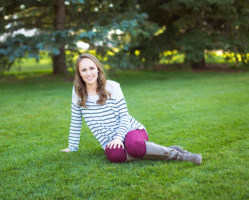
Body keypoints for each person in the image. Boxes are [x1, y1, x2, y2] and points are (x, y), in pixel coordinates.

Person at [61, 53, 202, 165]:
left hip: (131, 130)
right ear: (79, 74)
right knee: (114, 156)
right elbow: (76, 120)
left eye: (91, 68)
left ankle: (179, 155)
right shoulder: (77, 92)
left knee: (134, 146)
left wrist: (118, 137)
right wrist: (72, 147)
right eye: (84, 70)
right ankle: (165, 149)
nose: (88, 73)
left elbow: (124, 116)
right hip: (109, 141)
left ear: (98, 68)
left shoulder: (112, 86)